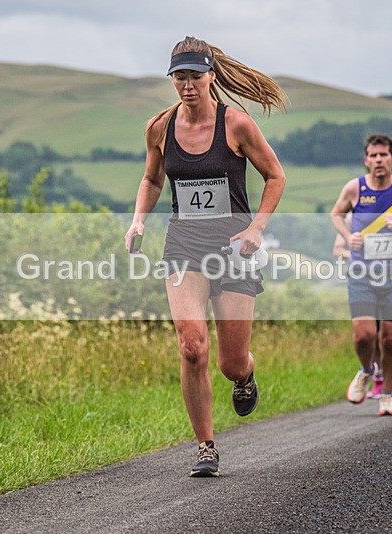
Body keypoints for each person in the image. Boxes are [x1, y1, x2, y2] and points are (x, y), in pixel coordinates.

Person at [124, 36, 286, 477]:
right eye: (180, 77)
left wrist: (256, 228)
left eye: (196, 76)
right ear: (172, 80)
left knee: (230, 362)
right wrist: (139, 220)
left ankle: (246, 374)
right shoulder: (159, 127)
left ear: (211, 76)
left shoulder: (236, 125)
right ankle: (206, 447)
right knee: (191, 346)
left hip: (234, 249)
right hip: (184, 248)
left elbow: (275, 176)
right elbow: (152, 180)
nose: (188, 85)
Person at [331, 134, 392, 416]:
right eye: (373, 156)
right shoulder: (355, 188)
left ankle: (386, 395)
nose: (378, 160)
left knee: (390, 338)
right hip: (362, 273)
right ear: (366, 160)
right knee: (364, 335)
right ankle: (365, 370)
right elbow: (335, 214)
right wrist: (349, 237)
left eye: (383, 155)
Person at [333, 220, 392, 396]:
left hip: (390, 279)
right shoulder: (350, 221)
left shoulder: (387, 216)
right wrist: (356, 255)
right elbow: (337, 250)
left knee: (387, 332)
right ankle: (378, 376)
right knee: (368, 333)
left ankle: (390, 369)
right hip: (364, 280)